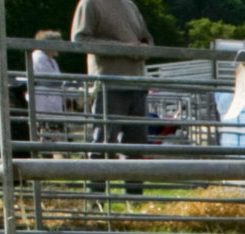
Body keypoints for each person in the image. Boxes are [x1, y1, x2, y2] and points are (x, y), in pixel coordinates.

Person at [70, 0, 153, 194]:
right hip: (109, 82)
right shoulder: (90, 3)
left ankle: (134, 196)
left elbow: (147, 38)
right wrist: (125, 48)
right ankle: (96, 196)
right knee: (104, 142)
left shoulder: (130, 4)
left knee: (136, 145)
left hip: (137, 82)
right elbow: (80, 40)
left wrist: (143, 48)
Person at [28, 30, 66, 134]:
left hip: (53, 102)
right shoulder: (38, 57)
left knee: (56, 134)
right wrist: (65, 84)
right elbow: (48, 80)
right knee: (45, 134)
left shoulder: (52, 61)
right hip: (42, 101)